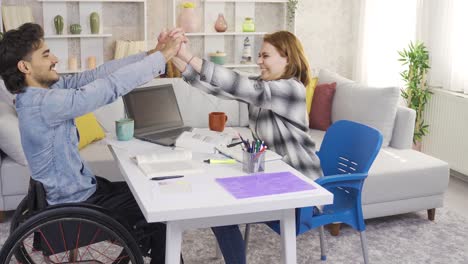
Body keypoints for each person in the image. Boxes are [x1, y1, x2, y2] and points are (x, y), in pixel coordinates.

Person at [0, 23, 184, 264]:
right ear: (24, 67)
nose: (55, 59)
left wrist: (151, 54)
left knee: (145, 189)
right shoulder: (44, 104)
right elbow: (107, 87)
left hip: (81, 191)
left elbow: (95, 76)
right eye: (46, 55)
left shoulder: (40, 95)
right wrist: (164, 56)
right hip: (77, 203)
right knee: (160, 211)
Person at [168, 30, 323, 264]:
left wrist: (190, 56)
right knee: (215, 201)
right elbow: (221, 88)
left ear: (287, 58)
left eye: (265, 56)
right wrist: (175, 55)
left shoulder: (292, 89)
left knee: (219, 211)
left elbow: (238, 84)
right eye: (259, 55)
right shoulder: (264, 86)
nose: (259, 61)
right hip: (271, 176)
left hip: (299, 186)